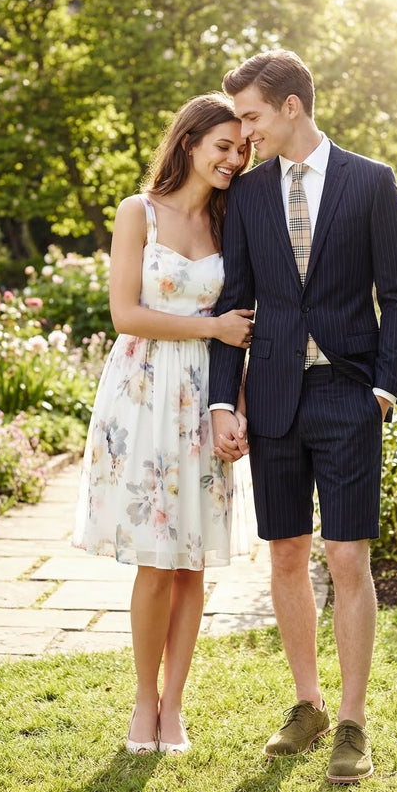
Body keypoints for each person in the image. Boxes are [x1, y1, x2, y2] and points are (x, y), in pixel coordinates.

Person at [208, 50, 397, 784]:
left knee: (347, 556)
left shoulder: (370, 181)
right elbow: (233, 301)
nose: (245, 130)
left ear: (291, 106)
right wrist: (221, 401)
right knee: (287, 554)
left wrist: (385, 389)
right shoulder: (250, 193)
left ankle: (354, 722)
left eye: (253, 115)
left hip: (348, 393)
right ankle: (309, 705)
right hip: (271, 398)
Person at [73, 93, 254, 755]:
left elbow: (246, 326)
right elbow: (126, 313)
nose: (235, 159)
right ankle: (141, 703)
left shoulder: (233, 225)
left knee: (192, 562)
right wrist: (209, 324)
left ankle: (174, 704)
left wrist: (235, 405)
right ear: (189, 143)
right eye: (223, 146)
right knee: (154, 559)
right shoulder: (138, 213)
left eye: (243, 149)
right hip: (143, 396)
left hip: (205, 397)